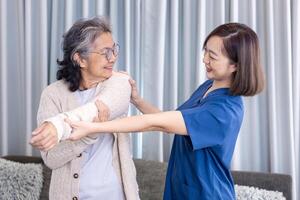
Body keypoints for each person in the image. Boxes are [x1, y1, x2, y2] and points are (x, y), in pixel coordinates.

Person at [62, 23, 265, 199]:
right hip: (183, 189)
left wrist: (92, 127)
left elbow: (155, 123)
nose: (204, 60)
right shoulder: (210, 86)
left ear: (235, 65)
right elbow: (170, 122)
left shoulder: (224, 111)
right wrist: (137, 100)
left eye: (212, 56)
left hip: (207, 194)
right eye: (205, 51)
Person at [30, 17, 139, 200]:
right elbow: (51, 158)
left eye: (114, 49)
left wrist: (58, 126)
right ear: (79, 59)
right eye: (105, 52)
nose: (113, 58)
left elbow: (103, 106)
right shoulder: (52, 95)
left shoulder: (119, 83)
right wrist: (89, 134)